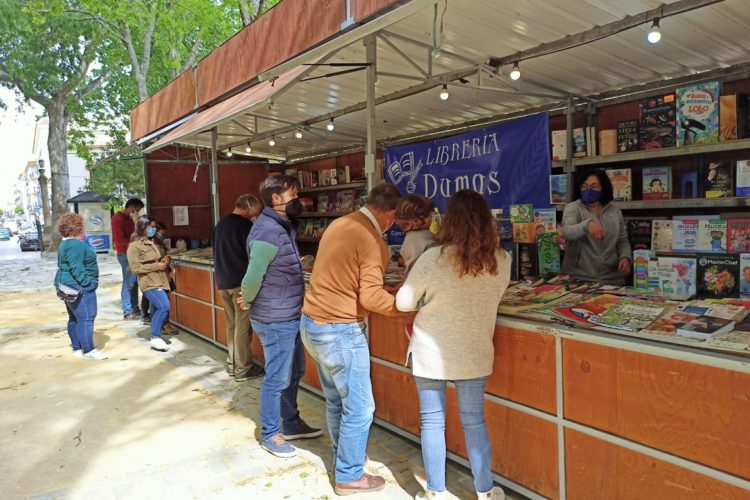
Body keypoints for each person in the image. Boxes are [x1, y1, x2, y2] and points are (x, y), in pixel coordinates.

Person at [395, 190, 511, 500]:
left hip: (430, 351)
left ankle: (436, 492)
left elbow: (404, 302)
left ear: (450, 221)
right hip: (474, 350)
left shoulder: (434, 258)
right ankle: (485, 491)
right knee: (475, 421)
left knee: (432, 422)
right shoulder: (502, 258)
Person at [300, 183, 402, 496]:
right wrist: (404, 309)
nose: (393, 225)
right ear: (389, 214)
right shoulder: (372, 239)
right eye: (394, 220)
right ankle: (349, 475)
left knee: (336, 401)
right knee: (360, 408)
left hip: (312, 324)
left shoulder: (339, 224)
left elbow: (346, 277)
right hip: (340, 330)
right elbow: (370, 297)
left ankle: (344, 457)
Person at [239, 176, 321, 458]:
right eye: (293, 193)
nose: (298, 198)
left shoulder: (281, 226)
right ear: (277, 199)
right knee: (277, 377)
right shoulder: (268, 232)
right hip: (275, 318)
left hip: (287, 313)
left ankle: (291, 421)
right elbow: (253, 276)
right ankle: (270, 434)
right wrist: (247, 298)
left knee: (294, 370)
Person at [214, 194, 265, 381]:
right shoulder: (245, 226)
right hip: (239, 284)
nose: (256, 215)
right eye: (256, 211)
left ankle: (232, 364)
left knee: (232, 324)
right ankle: (243, 368)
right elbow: (255, 254)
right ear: (248, 207)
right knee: (243, 326)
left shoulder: (221, 224)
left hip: (222, 282)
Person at [561, 170, 631, 285]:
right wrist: (587, 225)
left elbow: (622, 240)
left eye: (594, 186)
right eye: (585, 186)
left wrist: (625, 257)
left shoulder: (614, 210)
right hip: (579, 279)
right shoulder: (573, 208)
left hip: (613, 279)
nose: (589, 190)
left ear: (603, 188)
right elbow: (567, 231)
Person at [54, 213, 107, 360]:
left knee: (74, 318)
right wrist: (88, 284)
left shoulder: (65, 243)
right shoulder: (75, 244)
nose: (85, 230)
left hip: (67, 285)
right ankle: (89, 350)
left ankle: (77, 348)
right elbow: (76, 267)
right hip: (78, 286)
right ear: (76, 228)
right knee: (87, 318)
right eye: (82, 226)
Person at [127, 216, 172, 352]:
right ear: (142, 227)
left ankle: (156, 336)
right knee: (164, 306)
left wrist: (165, 260)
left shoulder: (152, 242)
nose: (153, 229)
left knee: (162, 307)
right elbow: (135, 268)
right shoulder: (134, 246)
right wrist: (157, 266)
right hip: (148, 282)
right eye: (151, 227)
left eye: (154, 227)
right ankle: (155, 337)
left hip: (160, 280)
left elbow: (157, 259)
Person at [112, 198, 144, 319]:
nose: (137, 212)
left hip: (132, 253)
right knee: (128, 282)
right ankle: (127, 310)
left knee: (134, 282)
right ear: (131, 207)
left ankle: (135, 309)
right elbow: (119, 241)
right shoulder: (117, 219)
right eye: (137, 210)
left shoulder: (130, 220)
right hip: (124, 254)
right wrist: (135, 240)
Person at [395, 195, 436, 272]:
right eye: (430, 214)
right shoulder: (422, 239)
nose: (432, 216)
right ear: (423, 218)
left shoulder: (411, 239)